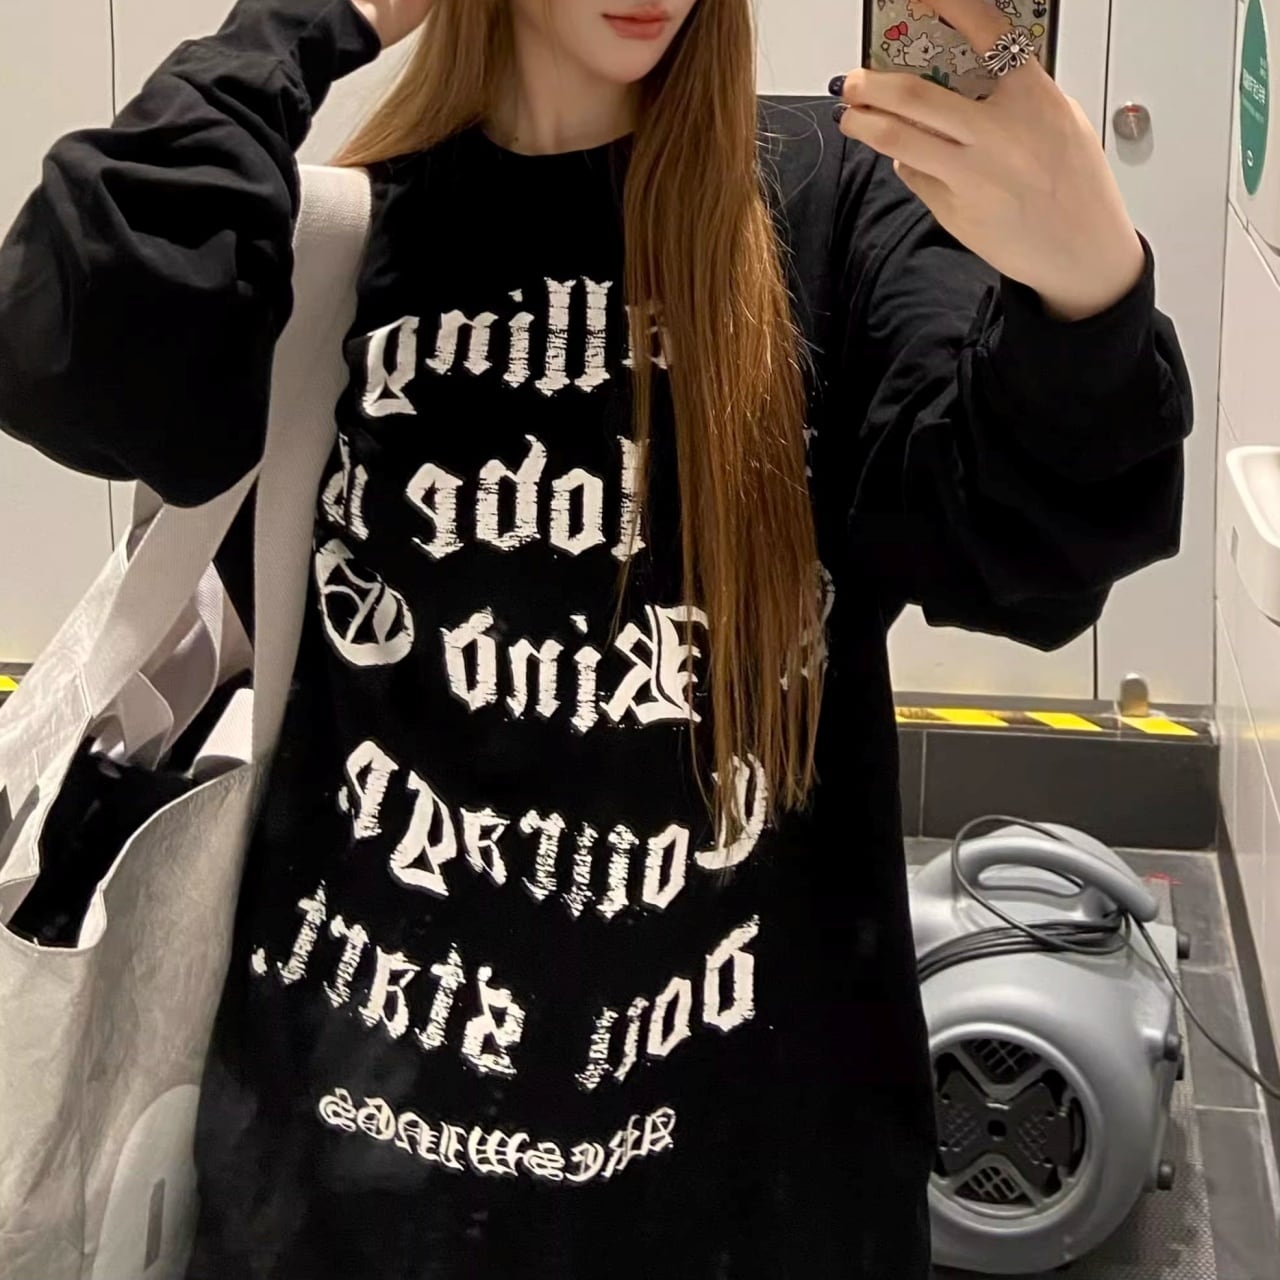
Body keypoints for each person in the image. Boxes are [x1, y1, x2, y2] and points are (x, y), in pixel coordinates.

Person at [0, 0, 1192, 1274]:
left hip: (753, 1194)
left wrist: (1086, 298)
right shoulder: (345, 238)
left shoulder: (821, 211)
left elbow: (1019, 555)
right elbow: (66, 347)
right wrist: (309, 23)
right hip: (348, 1185)